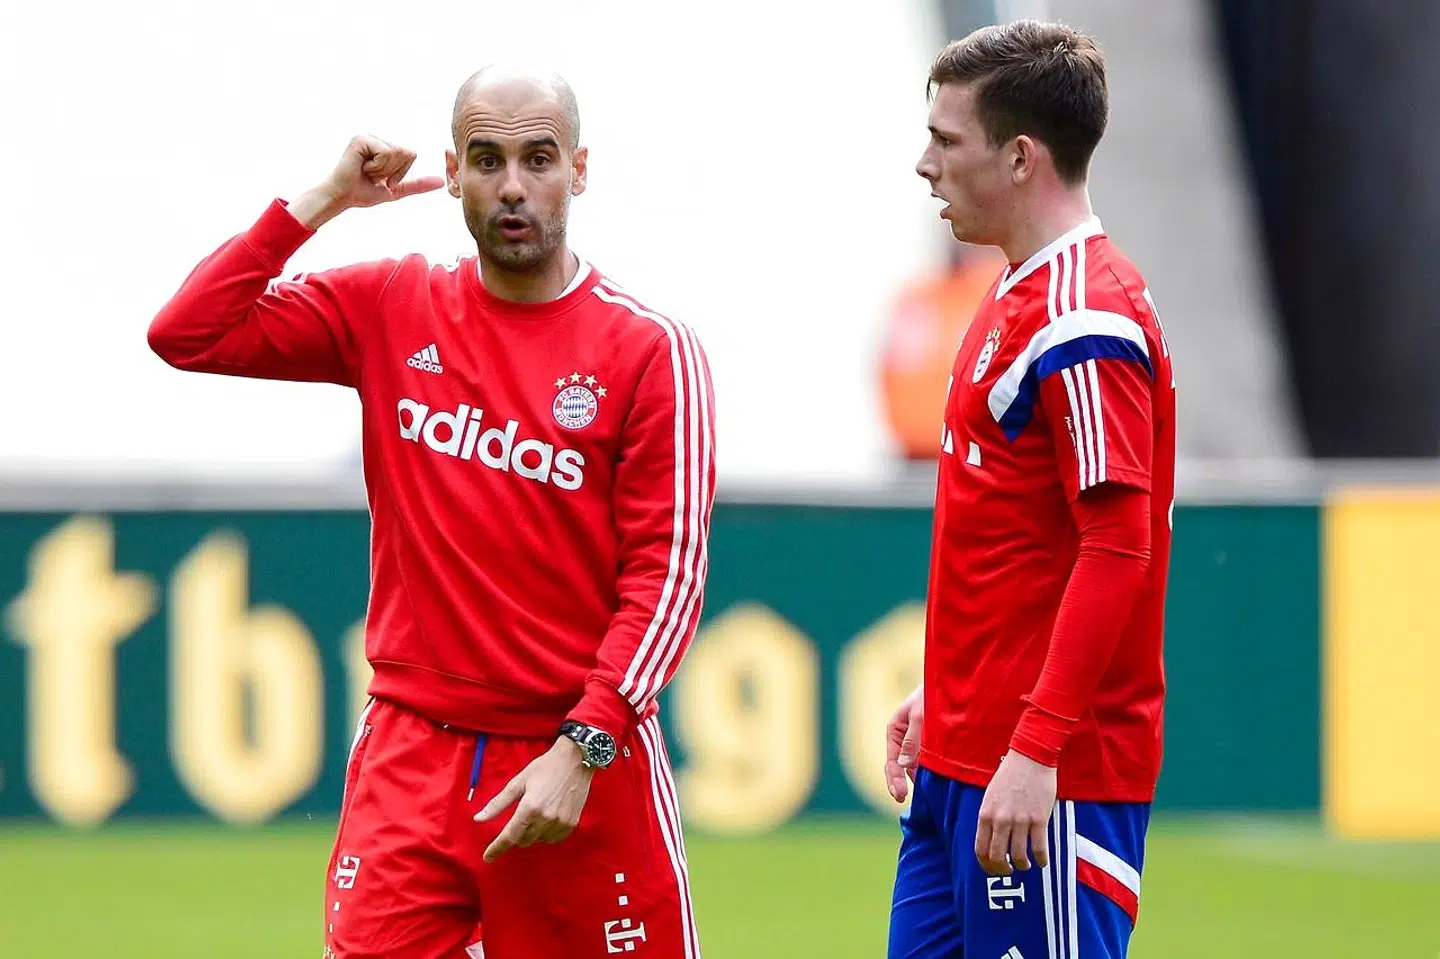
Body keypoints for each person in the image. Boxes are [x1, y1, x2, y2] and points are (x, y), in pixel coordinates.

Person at [149, 65, 713, 959]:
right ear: (452, 173)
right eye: (487, 160)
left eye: (539, 158)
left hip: (570, 757)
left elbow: (669, 574)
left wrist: (586, 744)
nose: (514, 185)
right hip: (412, 757)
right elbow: (189, 330)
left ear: (581, 169)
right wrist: (324, 199)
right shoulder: (392, 302)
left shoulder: (647, 350)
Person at [884, 21, 1176, 959]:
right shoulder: (1016, 293)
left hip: (1046, 782)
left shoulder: (1085, 317)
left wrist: (1037, 745)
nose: (924, 164)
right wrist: (952, 696)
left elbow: (1117, 547)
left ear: (1019, 157)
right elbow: (1016, 538)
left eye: (945, 139)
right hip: (963, 761)